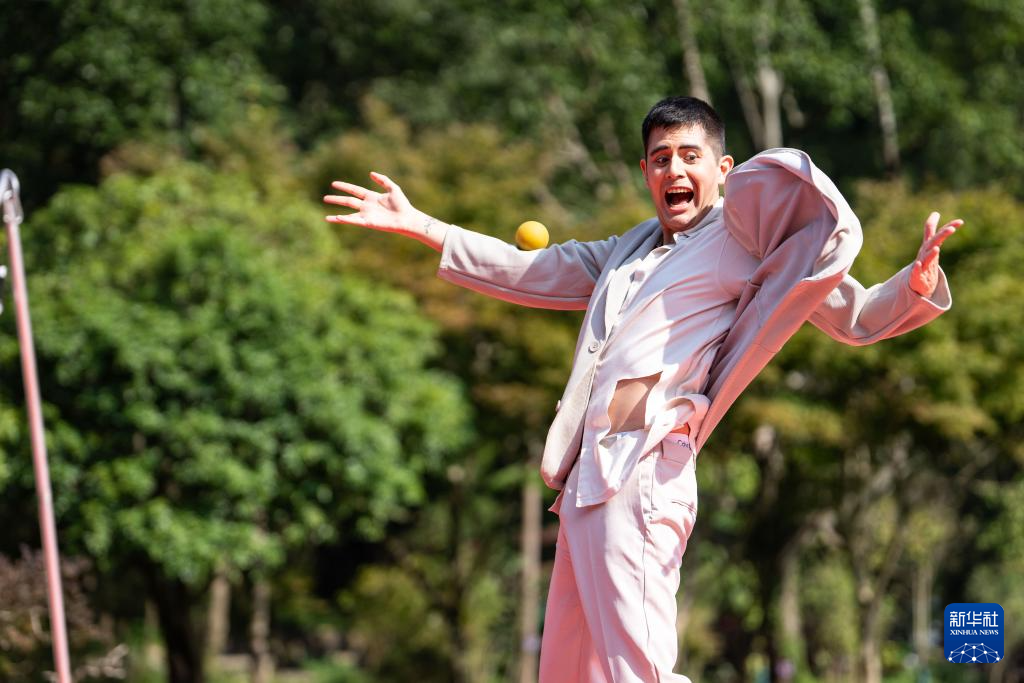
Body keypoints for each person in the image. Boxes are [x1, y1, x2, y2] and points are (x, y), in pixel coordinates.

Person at [323, 96, 960, 682]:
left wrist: (914, 284)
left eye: (689, 156)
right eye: (660, 159)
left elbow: (848, 309)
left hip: (645, 468)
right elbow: (536, 268)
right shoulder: (628, 249)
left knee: (640, 671)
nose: (674, 169)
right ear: (645, 172)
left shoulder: (742, 236)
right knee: (570, 674)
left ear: (723, 169)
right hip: (586, 480)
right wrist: (425, 226)